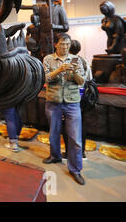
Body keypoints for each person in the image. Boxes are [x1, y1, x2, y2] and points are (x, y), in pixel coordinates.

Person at [42, 33, 86, 185]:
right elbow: (45, 78)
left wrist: (74, 72)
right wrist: (59, 70)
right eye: (62, 44)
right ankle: (55, 156)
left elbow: (81, 82)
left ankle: (75, 169)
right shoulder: (48, 59)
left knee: (75, 138)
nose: (65, 47)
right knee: (54, 132)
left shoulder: (76, 59)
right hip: (53, 102)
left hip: (72, 102)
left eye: (68, 45)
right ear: (56, 44)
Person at [62, 39, 91, 160]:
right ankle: (82, 152)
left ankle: (69, 153)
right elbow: (89, 78)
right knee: (80, 124)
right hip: (83, 96)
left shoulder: (70, 62)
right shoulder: (84, 61)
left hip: (71, 97)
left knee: (67, 125)